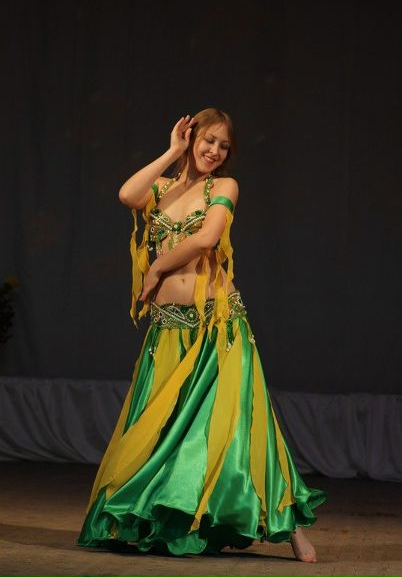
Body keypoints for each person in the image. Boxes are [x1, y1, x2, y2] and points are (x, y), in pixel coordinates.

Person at [77, 108, 326, 562]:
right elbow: (127, 194)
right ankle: (165, 520)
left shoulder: (225, 187)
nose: (214, 151)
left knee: (242, 428)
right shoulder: (161, 188)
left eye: (223, 146)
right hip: (169, 329)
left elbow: (207, 238)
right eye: (207, 140)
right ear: (191, 138)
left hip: (218, 327)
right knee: (163, 432)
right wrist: (171, 150)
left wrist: (157, 266)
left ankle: (290, 528)